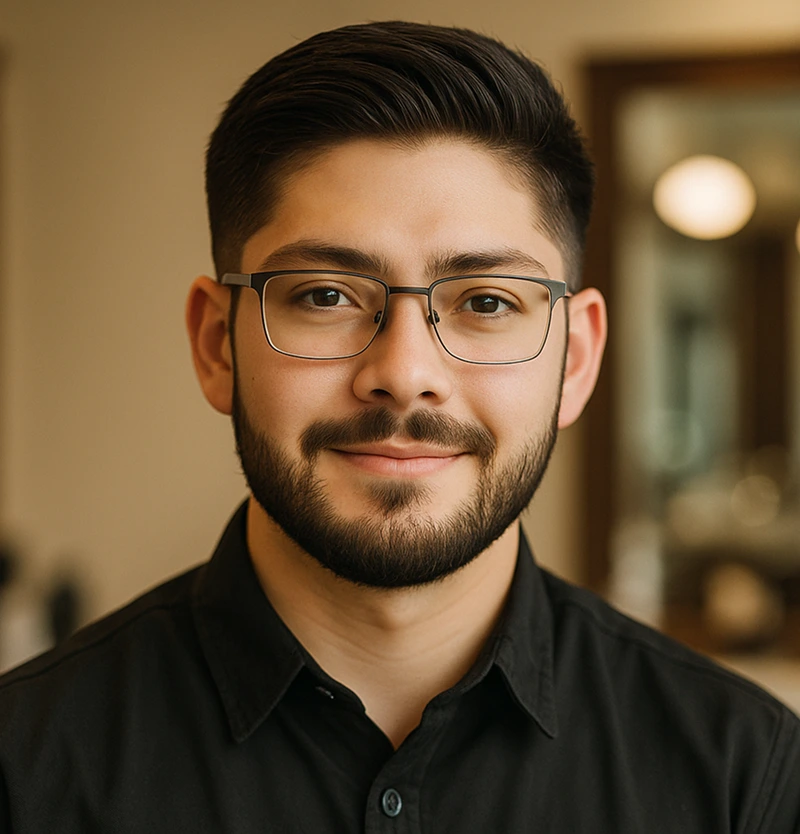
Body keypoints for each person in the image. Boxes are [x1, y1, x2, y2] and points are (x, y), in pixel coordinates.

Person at [0, 20, 797, 833]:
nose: (405, 372)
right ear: (217, 345)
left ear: (578, 360)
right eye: (325, 295)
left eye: (487, 302)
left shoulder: (746, 779)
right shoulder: (24, 772)